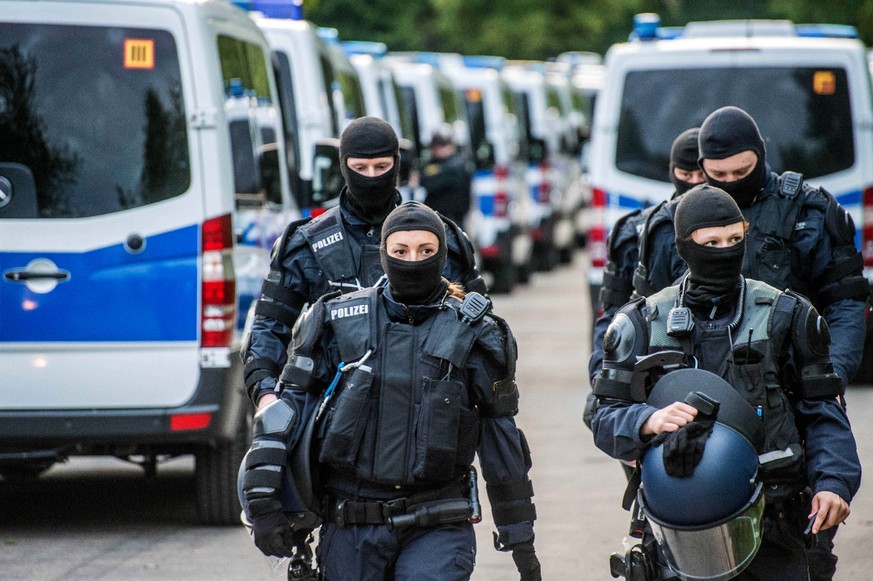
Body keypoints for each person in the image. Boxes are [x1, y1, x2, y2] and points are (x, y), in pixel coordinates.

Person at [240, 201, 541, 581]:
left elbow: (502, 444)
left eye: (425, 251)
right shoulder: (335, 322)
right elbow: (287, 414)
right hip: (350, 525)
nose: (412, 261)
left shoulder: (477, 333)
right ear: (383, 255)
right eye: (400, 251)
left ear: (442, 256)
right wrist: (263, 501)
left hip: (440, 522)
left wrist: (521, 540)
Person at [590, 185, 861, 580]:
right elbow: (604, 417)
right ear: (685, 247)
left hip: (775, 518)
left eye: (735, 239)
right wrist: (645, 421)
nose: (725, 250)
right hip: (678, 530)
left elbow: (822, 411)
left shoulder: (788, 315)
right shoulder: (641, 323)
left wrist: (834, 481)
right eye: (711, 242)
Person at [243, 116, 487, 411]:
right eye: (360, 168)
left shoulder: (441, 241)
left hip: (425, 414)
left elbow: (481, 333)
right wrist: (268, 395)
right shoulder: (306, 245)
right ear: (343, 166)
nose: (371, 177)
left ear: (396, 165)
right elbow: (268, 328)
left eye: (381, 167)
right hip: (330, 416)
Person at [587, 127, 704, 405]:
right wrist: (602, 373)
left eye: (702, 176)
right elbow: (611, 315)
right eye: (685, 176)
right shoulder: (637, 232)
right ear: (672, 172)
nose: (695, 183)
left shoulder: (735, 232)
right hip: (654, 370)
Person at [419, 130, 474, 226]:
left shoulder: (456, 165)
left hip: (451, 217)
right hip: (441, 216)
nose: (436, 150)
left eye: (439, 146)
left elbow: (428, 182)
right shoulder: (439, 163)